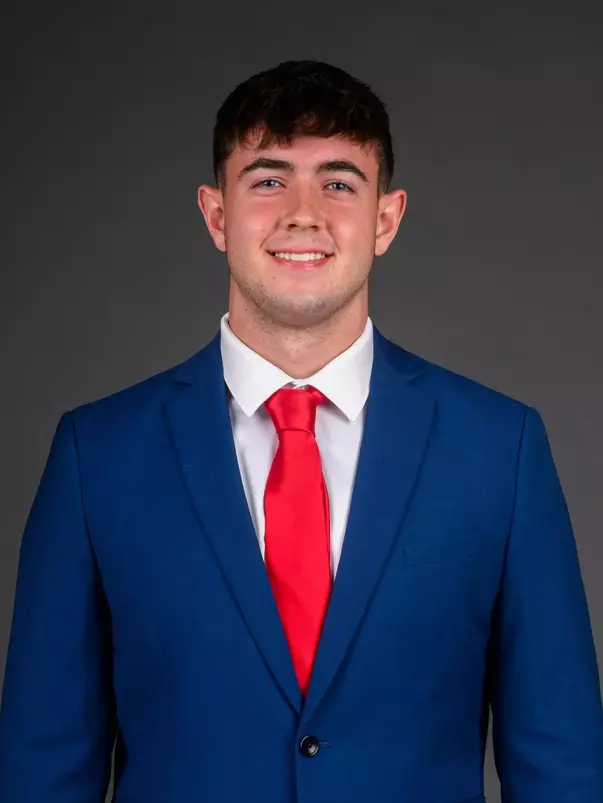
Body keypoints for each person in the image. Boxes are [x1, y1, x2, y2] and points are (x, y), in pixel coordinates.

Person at [0, 59, 601, 803]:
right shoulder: (98, 457)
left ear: (386, 218)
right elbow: (43, 772)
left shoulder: (498, 449)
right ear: (216, 213)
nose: (303, 212)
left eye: (339, 182)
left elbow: (561, 770)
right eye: (267, 179)